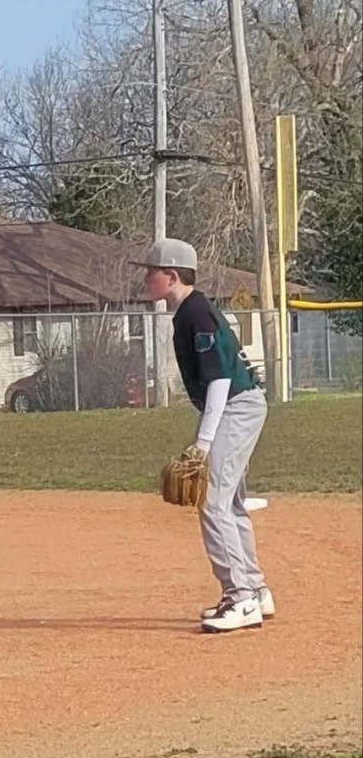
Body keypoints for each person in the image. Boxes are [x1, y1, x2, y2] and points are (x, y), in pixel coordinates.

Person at [135, 239, 274, 633]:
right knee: (229, 502)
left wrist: (204, 442)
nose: (147, 278)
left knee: (212, 501)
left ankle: (241, 597)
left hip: (235, 405)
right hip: (239, 404)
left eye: (152, 271)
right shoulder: (191, 311)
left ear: (172, 276)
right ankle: (255, 590)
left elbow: (219, 379)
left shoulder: (195, 312)